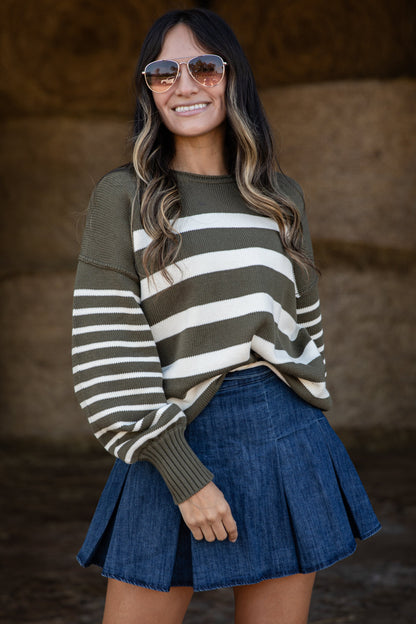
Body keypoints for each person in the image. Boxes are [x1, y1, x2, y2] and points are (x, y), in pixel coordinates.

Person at [72, 8, 381, 624]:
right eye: (162, 72)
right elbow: (107, 351)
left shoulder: (281, 197)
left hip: (286, 439)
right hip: (177, 437)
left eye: (203, 67)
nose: (184, 85)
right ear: (148, 89)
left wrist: (308, 433)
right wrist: (182, 473)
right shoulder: (126, 196)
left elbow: (307, 327)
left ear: (231, 77)